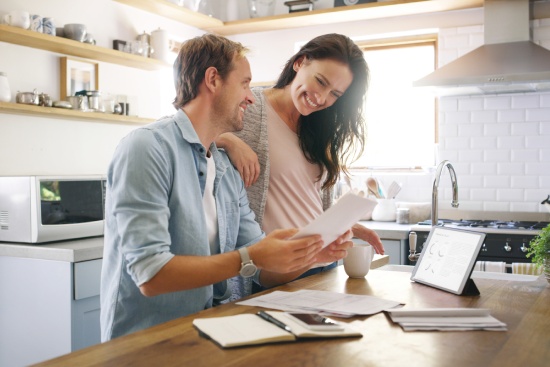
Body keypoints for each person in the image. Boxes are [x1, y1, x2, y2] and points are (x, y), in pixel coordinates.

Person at [100, 33, 353, 341]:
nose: (251, 96)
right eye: (245, 83)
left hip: (207, 334)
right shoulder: (146, 148)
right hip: (146, 343)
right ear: (213, 80)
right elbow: (150, 274)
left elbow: (262, 268)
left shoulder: (225, 170)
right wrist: (250, 257)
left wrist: (312, 253)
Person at [217, 33, 384, 289]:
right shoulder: (250, 105)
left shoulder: (320, 128)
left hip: (323, 266)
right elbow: (189, 126)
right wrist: (229, 140)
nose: (322, 98)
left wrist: (342, 223)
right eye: (320, 81)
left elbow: (307, 199)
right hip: (273, 272)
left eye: (335, 94)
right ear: (300, 62)